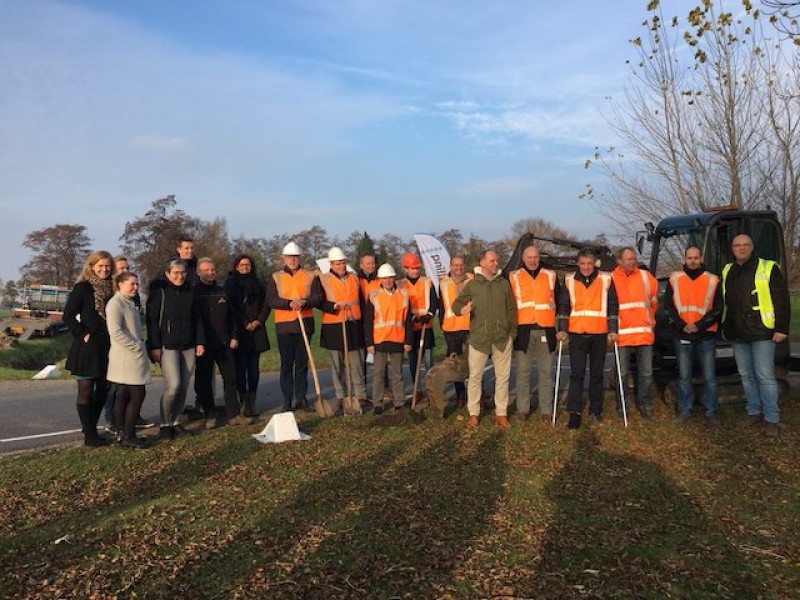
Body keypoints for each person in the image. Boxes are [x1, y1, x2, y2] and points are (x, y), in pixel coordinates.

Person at [722, 234, 791, 437]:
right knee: (746, 375)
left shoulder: (768, 267)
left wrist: (782, 328)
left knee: (765, 376)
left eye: (745, 245)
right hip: (737, 332)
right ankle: (753, 411)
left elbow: (781, 300)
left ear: (752, 247)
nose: (741, 248)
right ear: (732, 249)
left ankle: (771, 418)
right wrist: (725, 328)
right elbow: (726, 302)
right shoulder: (728, 270)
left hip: (762, 332)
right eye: (737, 245)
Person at [452, 250, 517, 430]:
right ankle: (473, 414)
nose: (496, 263)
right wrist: (461, 310)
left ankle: (501, 414)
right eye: (492, 261)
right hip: (478, 339)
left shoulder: (503, 284)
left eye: (497, 260)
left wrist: (512, 333)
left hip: (502, 339)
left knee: (502, 378)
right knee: (474, 378)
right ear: (482, 263)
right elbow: (456, 305)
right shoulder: (473, 285)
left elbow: (512, 309)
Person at [557, 248, 619, 429]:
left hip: (599, 334)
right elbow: (563, 307)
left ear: (595, 264)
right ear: (578, 263)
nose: (586, 267)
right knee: (577, 374)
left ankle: (595, 411)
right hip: (577, 334)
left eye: (589, 263)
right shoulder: (569, 280)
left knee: (597, 375)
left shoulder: (606, 279)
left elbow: (613, 306)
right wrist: (562, 329)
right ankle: (574, 413)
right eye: (583, 263)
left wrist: (613, 329)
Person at [146, 259, 205, 440]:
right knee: (173, 385)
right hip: (167, 345)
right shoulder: (160, 292)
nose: (179, 276)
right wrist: (155, 346)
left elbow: (198, 319)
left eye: (182, 273)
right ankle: (165, 424)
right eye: (175, 273)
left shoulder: (190, 291)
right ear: (167, 274)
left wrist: (200, 342)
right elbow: (152, 321)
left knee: (185, 384)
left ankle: (176, 421)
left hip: (188, 345)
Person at [64, 251, 117, 447]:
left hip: (108, 347)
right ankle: (90, 436)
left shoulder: (113, 288)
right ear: (92, 267)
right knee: (85, 391)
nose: (104, 269)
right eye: (100, 266)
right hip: (87, 347)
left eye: (107, 266)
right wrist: (83, 333)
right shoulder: (83, 288)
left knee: (104, 389)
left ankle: (89, 427)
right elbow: (68, 315)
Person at [665, 245, 722, 426]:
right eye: (689, 258)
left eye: (696, 258)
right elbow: (668, 307)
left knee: (710, 378)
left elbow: (718, 308)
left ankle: (711, 412)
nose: (693, 261)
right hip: (682, 334)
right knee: (684, 377)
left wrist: (699, 326)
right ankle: (685, 410)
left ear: (701, 258)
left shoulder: (713, 280)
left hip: (705, 335)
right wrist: (682, 325)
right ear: (684, 259)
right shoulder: (674, 279)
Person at [265, 241, 324, 412]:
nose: (292, 259)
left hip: (305, 323)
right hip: (284, 325)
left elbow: (318, 297)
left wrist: (304, 302)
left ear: (299, 258)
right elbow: (271, 299)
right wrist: (289, 304)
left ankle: (301, 398)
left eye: (295, 256)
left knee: (302, 364)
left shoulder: (310, 275)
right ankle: (287, 400)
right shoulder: (275, 277)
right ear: (284, 258)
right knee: (286, 365)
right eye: (289, 257)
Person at [194, 258, 251, 428]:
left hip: (225, 343)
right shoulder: (194, 293)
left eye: (212, 269)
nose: (210, 273)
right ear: (198, 272)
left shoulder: (222, 291)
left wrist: (234, 336)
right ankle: (210, 416)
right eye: (206, 270)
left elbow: (232, 317)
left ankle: (233, 414)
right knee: (205, 381)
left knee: (231, 378)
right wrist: (198, 342)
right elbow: (194, 321)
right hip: (204, 345)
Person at [103, 256, 155, 434]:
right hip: (126, 358)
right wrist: (136, 347)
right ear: (120, 285)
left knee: (125, 395)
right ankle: (127, 434)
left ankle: (124, 433)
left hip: (131, 357)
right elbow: (115, 332)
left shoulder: (129, 302)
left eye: (137, 284)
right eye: (132, 284)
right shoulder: (115, 304)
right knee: (136, 394)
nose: (136, 287)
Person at [509, 245, 558, 421]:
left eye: (536, 257)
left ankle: (546, 410)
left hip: (546, 329)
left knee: (546, 373)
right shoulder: (514, 277)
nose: (533, 260)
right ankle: (523, 409)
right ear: (523, 258)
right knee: (523, 372)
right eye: (529, 257)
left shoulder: (551, 276)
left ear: (539, 257)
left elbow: (557, 302)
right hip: (524, 331)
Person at [611, 247, 658, 420]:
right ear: (620, 261)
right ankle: (622, 406)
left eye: (633, 259)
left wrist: (650, 321)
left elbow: (653, 303)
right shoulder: (611, 279)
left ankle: (645, 405)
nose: (632, 262)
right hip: (622, 335)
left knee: (646, 373)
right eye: (628, 259)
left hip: (644, 334)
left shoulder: (646, 277)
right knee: (621, 374)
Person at [319, 247, 368, 405]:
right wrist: (333, 306)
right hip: (333, 325)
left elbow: (360, 300)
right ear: (331, 264)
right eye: (337, 263)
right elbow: (318, 301)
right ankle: (341, 395)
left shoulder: (354, 278)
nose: (341, 266)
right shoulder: (323, 279)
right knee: (337, 364)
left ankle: (360, 395)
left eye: (343, 263)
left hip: (353, 323)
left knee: (357, 362)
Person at [224, 254, 270, 419]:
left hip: (256, 330)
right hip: (240, 331)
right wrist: (245, 322)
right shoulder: (230, 284)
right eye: (242, 264)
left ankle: (252, 401)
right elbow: (231, 307)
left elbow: (266, 304)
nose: (245, 267)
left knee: (253, 370)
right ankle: (243, 402)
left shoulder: (258, 283)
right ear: (236, 266)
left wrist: (259, 320)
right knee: (240, 368)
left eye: (248, 265)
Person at [364, 263, 413, 413]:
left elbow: (407, 321)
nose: (388, 281)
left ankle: (399, 402)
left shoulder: (403, 295)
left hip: (398, 340)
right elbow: (368, 322)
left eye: (390, 278)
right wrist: (369, 343)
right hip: (379, 341)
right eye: (384, 278)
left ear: (394, 279)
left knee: (397, 374)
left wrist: (408, 341)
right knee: (378, 374)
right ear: (380, 280)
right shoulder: (373, 296)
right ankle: (378, 404)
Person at [399, 252, 437, 396]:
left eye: (417, 268)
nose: (415, 271)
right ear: (406, 269)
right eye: (412, 268)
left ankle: (430, 388)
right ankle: (417, 389)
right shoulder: (401, 284)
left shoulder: (427, 282)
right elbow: (400, 305)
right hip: (410, 328)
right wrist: (413, 318)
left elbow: (434, 301)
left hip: (426, 327)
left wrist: (429, 315)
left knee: (428, 360)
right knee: (413, 361)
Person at [438, 255, 473, 409]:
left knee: (474, 363)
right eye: (455, 265)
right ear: (450, 266)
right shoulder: (443, 282)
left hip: (469, 327)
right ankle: (460, 396)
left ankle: (476, 396)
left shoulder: (471, 279)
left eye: (461, 265)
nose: (459, 268)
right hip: (451, 329)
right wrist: (441, 325)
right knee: (456, 365)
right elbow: (441, 305)